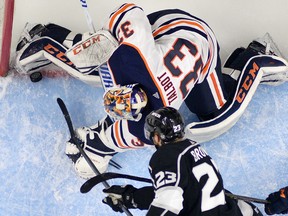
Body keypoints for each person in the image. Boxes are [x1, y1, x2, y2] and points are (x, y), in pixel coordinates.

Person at [14, 3, 288, 178]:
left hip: (200, 42)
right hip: (163, 37)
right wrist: (105, 40)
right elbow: (129, 12)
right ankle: (46, 37)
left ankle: (256, 59)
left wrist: (91, 147)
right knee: (91, 61)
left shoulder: (144, 128)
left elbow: (110, 138)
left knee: (217, 117)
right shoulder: (133, 62)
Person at [101, 106, 263, 215]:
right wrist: (133, 197)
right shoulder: (193, 148)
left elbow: (168, 203)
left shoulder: (166, 156)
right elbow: (182, 193)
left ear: (157, 137)